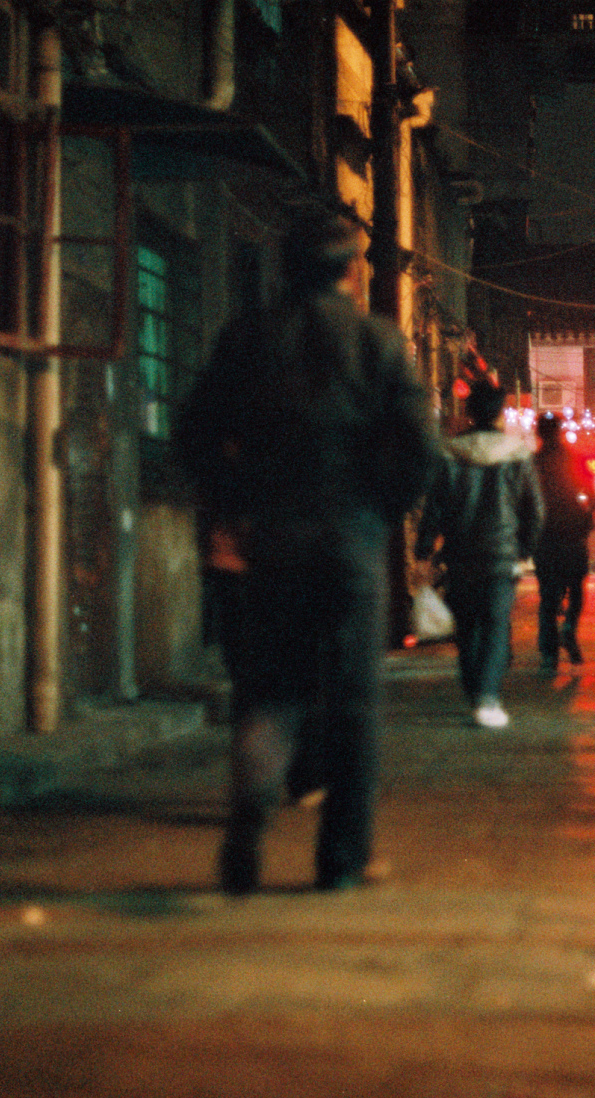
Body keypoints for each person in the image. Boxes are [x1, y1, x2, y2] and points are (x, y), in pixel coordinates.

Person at [174, 205, 436, 896]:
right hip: (351, 542)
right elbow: (420, 448)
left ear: (286, 269)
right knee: (352, 700)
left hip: (273, 540)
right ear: (351, 271)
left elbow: (193, 432)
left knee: (271, 689)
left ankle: (251, 808)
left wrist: (237, 499)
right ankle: (341, 859)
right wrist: (380, 508)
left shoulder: (248, 338)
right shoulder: (378, 342)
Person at [414, 378, 543, 729]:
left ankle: (476, 692)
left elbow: (433, 508)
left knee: (467, 628)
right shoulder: (517, 454)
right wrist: (523, 548)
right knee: (496, 625)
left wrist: (424, 550)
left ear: (469, 412)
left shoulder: (450, 453)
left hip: (459, 556)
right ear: (500, 413)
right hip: (501, 556)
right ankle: (487, 698)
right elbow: (535, 510)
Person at [533, 413, 595, 671]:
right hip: (572, 530)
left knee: (548, 595)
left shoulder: (533, 462)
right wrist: (588, 517)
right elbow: (593, 494)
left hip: (544, 534)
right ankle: (569, 627)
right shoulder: (573, 459)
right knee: (576, 587)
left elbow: (523, 499)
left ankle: (549, 652)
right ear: (560, 431)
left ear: (539, 433)